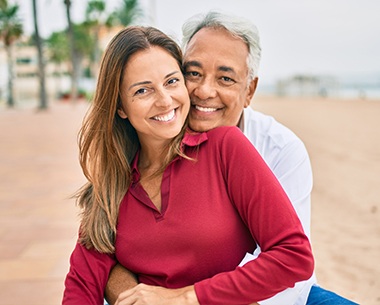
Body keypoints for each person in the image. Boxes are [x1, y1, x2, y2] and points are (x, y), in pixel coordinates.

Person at [105, 11, 359, 305]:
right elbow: (106, 250)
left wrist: (189, 298)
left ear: (249, 90)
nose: (204, 91)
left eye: (225, 78)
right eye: (193, 73)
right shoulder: (154, 132)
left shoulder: (282, 149)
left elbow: (289, 268)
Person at [62, 25, 314, 305]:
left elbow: (294, 256)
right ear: (120, 106)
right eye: (143, 90)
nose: (165, 100)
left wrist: (184, 297)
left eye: (171, 82)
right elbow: (81, 285)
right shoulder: (112, 184)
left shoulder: (226, 147)